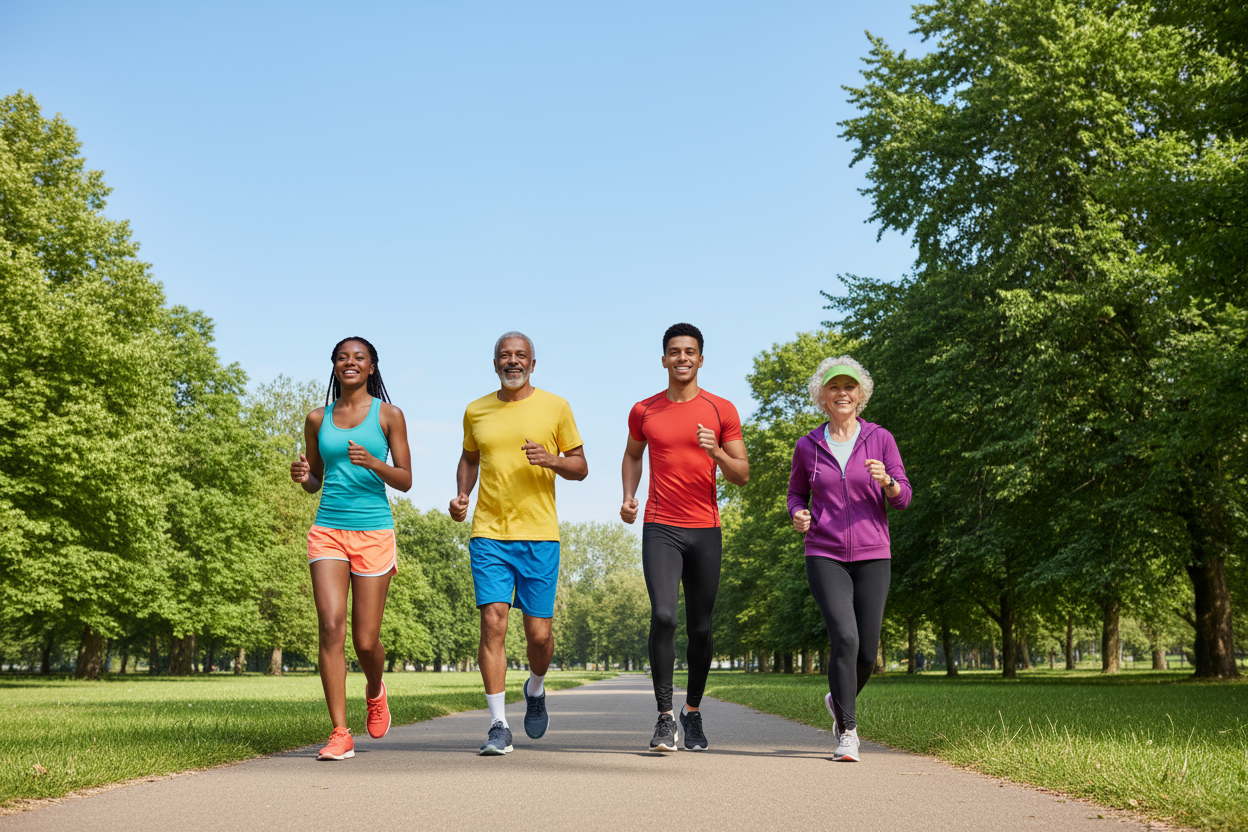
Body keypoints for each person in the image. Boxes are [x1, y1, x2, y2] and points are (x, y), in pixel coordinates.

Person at [449, 331, 587, 756]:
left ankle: (536, 686)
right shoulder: (476, 410)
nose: (513, 361)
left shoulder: (556, 407)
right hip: (489, 532)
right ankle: (497, 725)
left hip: (539, 535)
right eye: (505, 356)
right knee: (493, 621)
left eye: (520, 355)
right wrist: (462, 495)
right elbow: (470, 459)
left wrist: (554, 460)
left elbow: (580, 466)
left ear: (532, 363)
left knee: (539, 636)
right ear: (495, 364)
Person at [621, 323, 749, 752]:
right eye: (674, 352)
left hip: (706, 529)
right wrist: (628, 496)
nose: (682, 358)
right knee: (663, 616)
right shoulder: (645, 410)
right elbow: (632, 454)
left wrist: (716, 452)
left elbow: (742, 475)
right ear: (663, 359)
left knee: (700, 626)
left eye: (690, 351)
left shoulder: (721, 410)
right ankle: (662, 718)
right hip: (660, 525)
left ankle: (691, 713)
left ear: (700, 358)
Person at [290, 337, 412, 761]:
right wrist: (303, 475)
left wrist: (373, 463)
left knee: (365, 641)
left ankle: (375, 690)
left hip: (374, 532)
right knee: (330, 626)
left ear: (372, 367)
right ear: (334, 366)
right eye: (343, 357)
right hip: (328, 530)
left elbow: (405, 479)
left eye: (359, 357)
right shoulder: (317, 418)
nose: (350, 363)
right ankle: (340, 732)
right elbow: (316, 480)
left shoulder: (389, 415)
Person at [787, 356, 910, 762]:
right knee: (845, 637)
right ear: (822, 396)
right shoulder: (808, 445)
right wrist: (797, 514)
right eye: (834, 387)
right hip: (824, 552)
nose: (842, 393)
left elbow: (905, 498)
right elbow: (795, 494)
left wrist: (888, 482)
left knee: (868, 654)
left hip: (874, 554)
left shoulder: (880, 439)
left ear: (861, 395)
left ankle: (837, 698)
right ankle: (848, 733)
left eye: (850, 387)